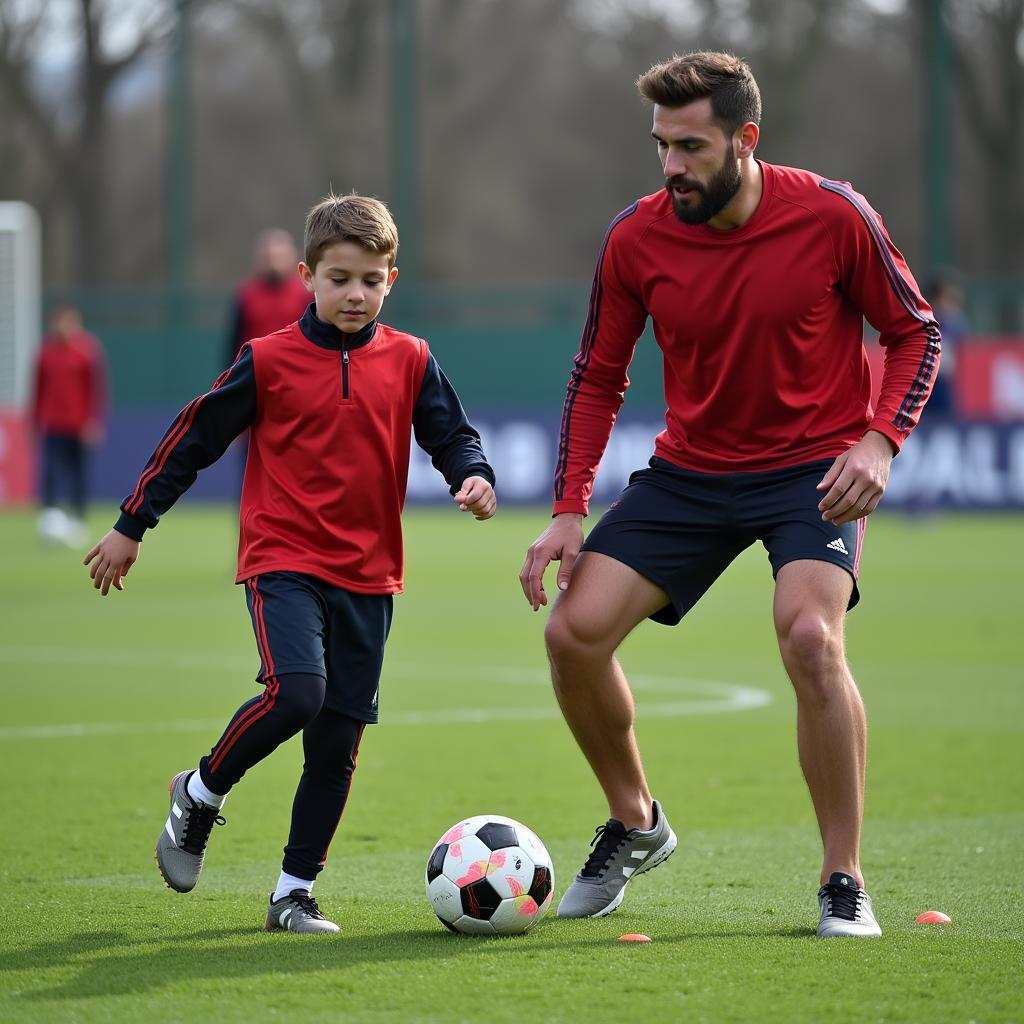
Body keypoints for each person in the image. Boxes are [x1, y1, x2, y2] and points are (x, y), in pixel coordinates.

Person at [519, 52, 940, 938]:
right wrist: (567, 509)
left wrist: (880, 440)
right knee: (572, 634)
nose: (671, 166)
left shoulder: (833, 214)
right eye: (661, 146)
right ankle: (636, 823)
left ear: (747, 140)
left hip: (811, 471)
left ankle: (842, 879)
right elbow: (597, 375)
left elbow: (915, 333)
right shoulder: (634, 236)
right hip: (692, 473)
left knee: (812, 640)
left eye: (692, 147)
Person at [84, 193, 496, 934]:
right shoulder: (267, 359)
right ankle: (201, 793)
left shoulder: (411, 359)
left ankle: (292, 894)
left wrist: (475, 475)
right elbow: (191, 441)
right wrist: (130, 525)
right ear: (306, 276)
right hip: (284, 559)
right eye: (339, 278)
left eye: (370, 280)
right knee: (297, 693)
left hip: (371, 575)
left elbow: (452, 435)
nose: (355, 294)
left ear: (391, 279)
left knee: (336, 743)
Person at [32, 305, 108, 547]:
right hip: (53, 422)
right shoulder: (45, 352)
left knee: (79, 473)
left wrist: (93, 421)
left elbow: (96, 388)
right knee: (52, 471)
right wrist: (34, 421)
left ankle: (78, 519)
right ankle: (50, 519)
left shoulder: (87, 351)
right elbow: (37, 388)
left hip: (79, 424)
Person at [224, 228, 311, 369]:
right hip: (253, 370)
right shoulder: (246, 294)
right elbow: (234, 341)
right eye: (268, 257)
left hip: (295, 369)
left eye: (279, 256)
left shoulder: (305, 293)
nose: (273, 263)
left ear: (292, 256)